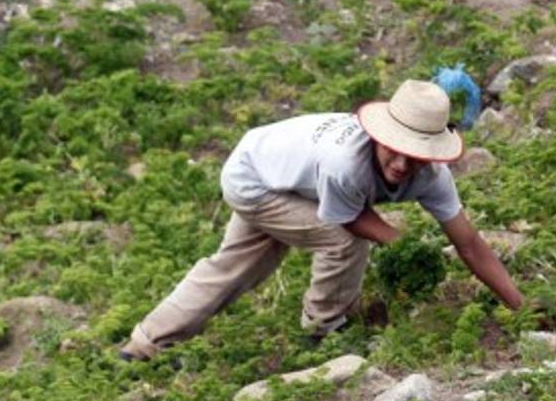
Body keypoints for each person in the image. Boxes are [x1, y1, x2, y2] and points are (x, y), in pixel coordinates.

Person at [119, 79, 524, 360]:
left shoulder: (434, 178)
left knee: (235, 264)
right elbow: (348, 221)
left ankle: (145, 344)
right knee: (343, 241)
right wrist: (403, 243)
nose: (402, 164)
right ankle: (325, 329)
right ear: (380, 137)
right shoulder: (345, 163)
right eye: (393, 150)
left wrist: (518, 305)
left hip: (282, 173)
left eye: (415, 156)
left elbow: (469, 243)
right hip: (254, 178)